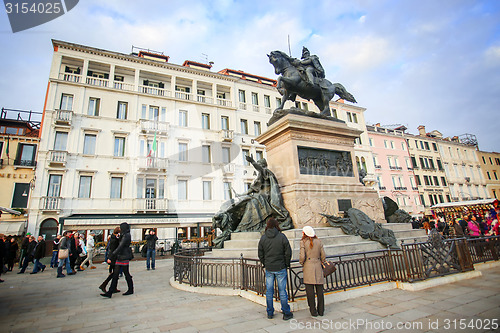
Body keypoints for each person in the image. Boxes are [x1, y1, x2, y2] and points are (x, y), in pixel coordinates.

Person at [257, 217, 293, 321]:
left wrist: (265, 263)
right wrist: (286, 264)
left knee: (269, 291)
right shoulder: (282, 236)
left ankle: (270, 312)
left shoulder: (263, 238)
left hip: (269, 268)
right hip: (281, 267)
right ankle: (286, 312)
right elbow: (288, 252)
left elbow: (260, 254)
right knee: (282, 291)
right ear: (277, 225)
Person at [100, 222, 134, 298]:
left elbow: (120, 246)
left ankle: (131, 289)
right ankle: (110, 291)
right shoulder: (124, 234)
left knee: (126, 274)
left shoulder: (126, 235)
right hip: (120, 256)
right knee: (115, 274)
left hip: (124, 256)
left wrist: (112, 255)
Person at [299, 226, 326, 317]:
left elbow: (302, 256)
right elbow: (323, 256)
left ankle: (313, 311)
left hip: (308, 266)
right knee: (319, 290)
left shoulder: (303, 242)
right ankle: (321, 310)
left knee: (310, 291)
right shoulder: (319, 241)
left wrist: (302, 263)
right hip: (318, 265)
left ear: (304, 233)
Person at [99, 227, 120, 294]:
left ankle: (114, 287)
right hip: (114, 258)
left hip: (113, 257)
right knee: (115, 273)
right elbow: (112, 250)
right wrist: (110, 258)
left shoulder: (113, 238)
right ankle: (104, 285)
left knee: (115, 273)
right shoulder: (114, 240)